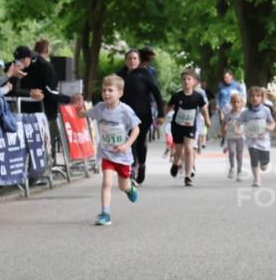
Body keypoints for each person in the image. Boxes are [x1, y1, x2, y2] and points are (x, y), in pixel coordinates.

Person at [75, 75, 140, 226]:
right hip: (107, 153)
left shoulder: (125, 111)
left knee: (123, 186)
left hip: (122, 155)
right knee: (107, 183)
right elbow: (83, 115)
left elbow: (136, 129)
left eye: (110, 90)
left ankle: (130, 188)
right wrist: (79, 111)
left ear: (120, 93)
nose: (106, 93)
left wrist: (126, 145)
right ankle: (105, 213)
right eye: (104, 90)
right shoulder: (99, 108)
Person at [116, 49, 164, 184]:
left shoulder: (145, 74)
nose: (132, 61)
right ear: (126, 60)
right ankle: (131, 168)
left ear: (139, 60)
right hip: (124, 115)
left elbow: (156, 93)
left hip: (143, 114)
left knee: (140, 141)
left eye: (135, 59)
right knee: (130, 141)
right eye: (129, 59)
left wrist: (161, 113)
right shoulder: (120, 76)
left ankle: (141, 165)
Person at [166, 68, 210, 187]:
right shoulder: (177, 95)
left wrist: (207, 119)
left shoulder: (198, 96)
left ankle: (188, 176)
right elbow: (169, 106)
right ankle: (175, 164)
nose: (186, 81)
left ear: (194, 81)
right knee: (179, 151)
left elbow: (203, 109)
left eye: (189, 79)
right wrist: (162, 117)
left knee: (189, 149)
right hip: (177, 126)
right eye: (184, 79)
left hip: (190, 126)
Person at [241, 86, 276, 188]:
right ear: (249, 98)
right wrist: (236, 129)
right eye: (252, 96)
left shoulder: (266, 110)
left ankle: (264, 163)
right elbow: (239, 122)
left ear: (262, 98)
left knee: (265, 162)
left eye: (258, 96)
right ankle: (257, 179)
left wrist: (270, 127)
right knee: (254, 158)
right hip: (251, 140)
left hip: (264, 140)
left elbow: (272, 122)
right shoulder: (246, 112)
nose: (255, 98)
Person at [217, 69, 246, 146]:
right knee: (223, 122)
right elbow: (218, 96)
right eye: (224, 77)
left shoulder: (237, 85)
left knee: (232, 122)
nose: (225, 79)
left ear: (231, 77)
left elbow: (242, 95)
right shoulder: (221, 85)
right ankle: (224, 137)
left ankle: (233, 136)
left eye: (227, 77)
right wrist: (218, 104)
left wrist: (241, 104)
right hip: (223, 107)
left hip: (234, 107)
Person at [222, 92, 246, 181]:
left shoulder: (244, 114)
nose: (236, 104)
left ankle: (239, 172)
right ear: (231, 103)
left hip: (241, 137)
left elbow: (248, 123)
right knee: (231, 152)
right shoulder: (228, 114)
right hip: (230, 137)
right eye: (234, 102)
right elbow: (224, 123)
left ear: (241, 103)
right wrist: (223, 131)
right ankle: (232, 168)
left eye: (238, 102)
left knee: (239, 155)